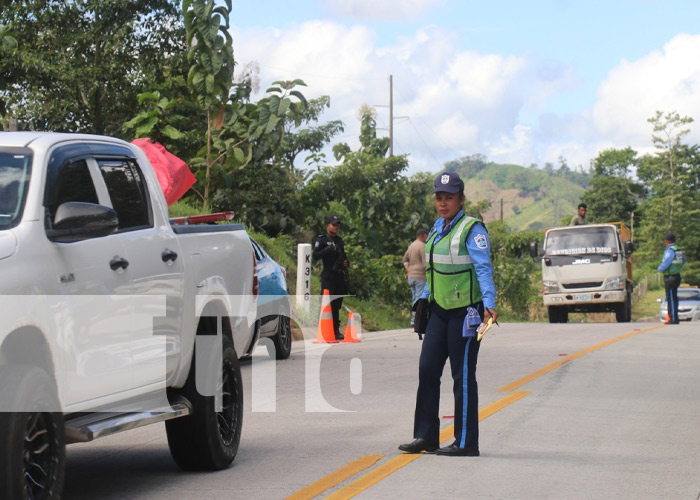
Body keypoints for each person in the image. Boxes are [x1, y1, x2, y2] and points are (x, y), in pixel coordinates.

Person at [399, 171, 498, 457]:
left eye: (449, 198)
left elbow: (483, 268)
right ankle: (426, 436)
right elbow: (433, 271)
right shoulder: (437, 228)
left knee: (462, 376)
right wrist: (424, 300)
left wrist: (489, 303)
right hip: (440, 312)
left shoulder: (472, 229)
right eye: (439, 198)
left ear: (461, 199)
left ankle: (466, 442)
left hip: (466, 313)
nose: (443, 203)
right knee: (427, 370)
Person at [313, 215, 350, 340]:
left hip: (338, 276)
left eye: (337, 225)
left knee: (336, 304)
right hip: (328, 275)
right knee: (325, 303)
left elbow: (344, 256)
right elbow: (316, 255)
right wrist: (328, 249)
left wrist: (346, 263)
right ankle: (323, 329)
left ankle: (335, 330)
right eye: (333, 225)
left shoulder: (339, 241)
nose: (336, 227)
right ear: (327, 226)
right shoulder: (322, 240)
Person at [657, 232, 685, 324]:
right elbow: (683, 261)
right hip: (677, 275)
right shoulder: (679, 250)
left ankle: (673, 318)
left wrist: (659, 269)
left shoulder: (670, 250)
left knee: (671, 298)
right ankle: (674, 317)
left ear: (667, 241)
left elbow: (666, 263)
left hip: (670, 277)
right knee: (674, 297)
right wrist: (677, 268)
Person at [402, 228, 428, 326]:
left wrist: (409, 271)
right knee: (419, 299)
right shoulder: (422, 246)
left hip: (411, 276)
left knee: (414, 297)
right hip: (420, 276)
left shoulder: (411, 245)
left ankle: (414, 319)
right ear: (424, 235)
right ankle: (415, 320)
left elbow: (405, 260)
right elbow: (426, 264)